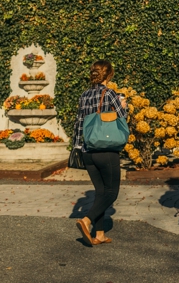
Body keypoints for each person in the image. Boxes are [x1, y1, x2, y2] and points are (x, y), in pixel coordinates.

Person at [73, 60, 127, 247]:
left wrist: (77, 148)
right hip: (106, 150)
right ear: (109, 75)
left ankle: (100, 233)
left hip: (88, 151)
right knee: (111, 193)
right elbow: (122, 117)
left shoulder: (84, 95)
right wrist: (123, 104)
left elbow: (78, 124)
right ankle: (87, 221)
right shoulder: (110, 93)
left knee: (101, 192)